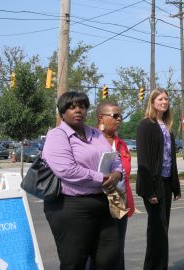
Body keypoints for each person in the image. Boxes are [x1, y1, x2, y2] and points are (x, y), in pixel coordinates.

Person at [43, 92, 123, 270]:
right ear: (62, 112)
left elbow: (114, 158)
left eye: (82, 106)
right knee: (74, 262)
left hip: (102, 202)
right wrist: (101, 178)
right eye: (72, 107)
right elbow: (67, 170)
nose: (78, 110)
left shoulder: (95, 133)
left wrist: (117, 174)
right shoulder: (57, 135)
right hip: (70, 206)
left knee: (109, 258)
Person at [86, 101, 135, 270]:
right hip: (95, 199)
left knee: (117, 247)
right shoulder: (89, 141)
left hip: (117, 199)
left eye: (120, 115)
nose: (119, 119)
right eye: (115, 116)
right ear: (101, 118)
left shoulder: (121, 144)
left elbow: (126, 174)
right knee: (95, 249)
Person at [136, 88, 181, 270]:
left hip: (167, 183)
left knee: (163, 229)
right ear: (152, 102)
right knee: (157, 230)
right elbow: (144, 160)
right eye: (160, 99)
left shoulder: (167, 127)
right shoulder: (146, 125)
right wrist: (150, 190)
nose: (164, 102)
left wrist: (176, 187)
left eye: (166, 99)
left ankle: (160, 266)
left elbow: (171, 160)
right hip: (153, 185)